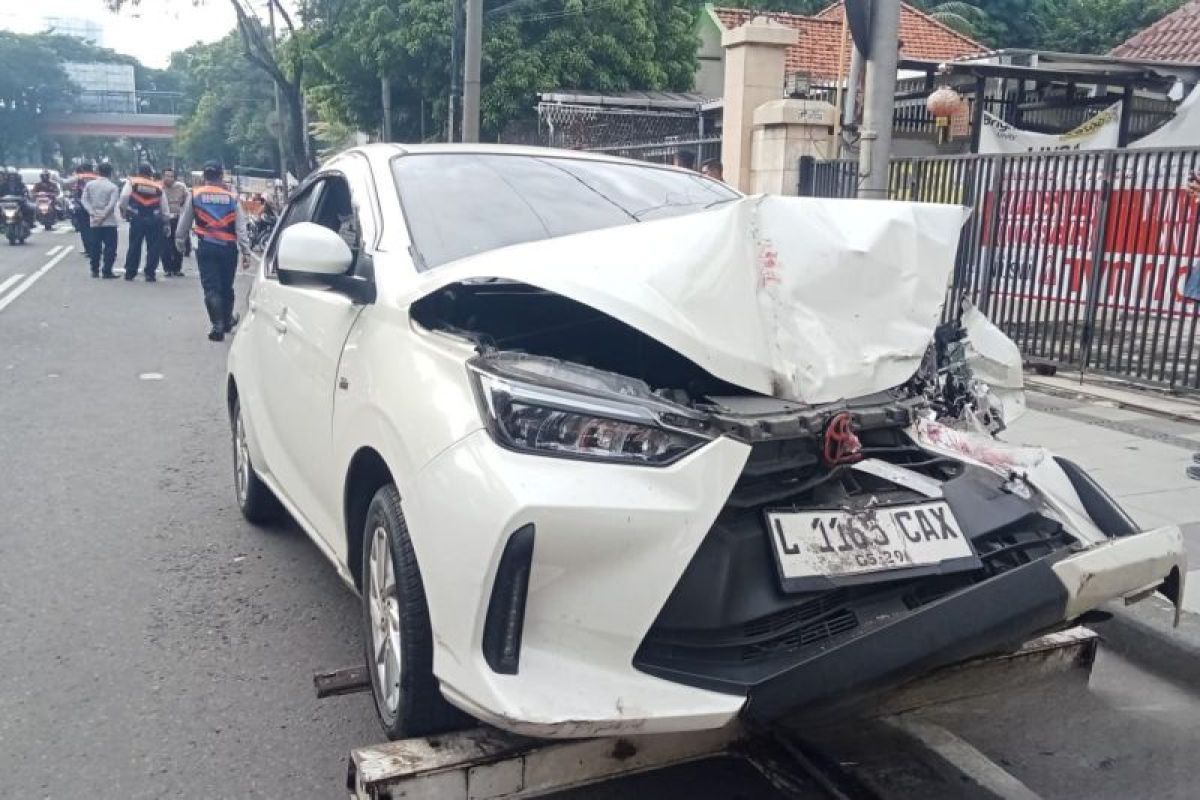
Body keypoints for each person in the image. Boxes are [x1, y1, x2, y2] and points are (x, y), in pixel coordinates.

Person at [175, 161, 250, 342]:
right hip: (228, 248)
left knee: (211, 288)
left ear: (204, 176)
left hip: (206, 246)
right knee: (226, 287)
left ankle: (217, 325)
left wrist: (179, 240)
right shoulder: (232, 197)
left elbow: (185, 221)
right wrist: (246, 251)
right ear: (221, 176)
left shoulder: (196, 195)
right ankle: (226, 321)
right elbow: (241, 227)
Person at [119, 163, 169, 282]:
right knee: (153, 247)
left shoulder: (132, 182)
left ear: (139, 172)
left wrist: (124, 211)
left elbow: (124, 197)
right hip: (154, 219)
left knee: (134, 245)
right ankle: (150, 273)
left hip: (138, 218)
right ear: (150, 173)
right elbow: (164, 205)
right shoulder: (158, 186)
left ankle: (130, 272)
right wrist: (166, 221)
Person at [80, 162, 121, 279]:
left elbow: (84, 200)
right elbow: (112, 204)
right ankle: (107, 271)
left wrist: (92, 213)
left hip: (94, 220)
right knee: (110, 247)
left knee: (95, 246)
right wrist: (103, 216)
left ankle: (94, 270)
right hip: (109, 221)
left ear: (98, 171)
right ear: (110, 173)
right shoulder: (113, 187)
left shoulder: (90, 185)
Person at [159, 168, 189, 277]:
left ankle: (177, 268)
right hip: (164, 219)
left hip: (178, 218)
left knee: (178, 243)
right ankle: (167, 269)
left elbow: (188, 199)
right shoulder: (159, 187)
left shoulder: (181, 187)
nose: (169, 178)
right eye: (167, 176)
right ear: (163, 177)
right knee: (165, 246)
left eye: (171, 176)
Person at [71, 163, 100, 261]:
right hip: (95, 207)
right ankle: (96, 249)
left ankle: (89, 249)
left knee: (85, 229)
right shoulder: (97, 178)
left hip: (82, 207)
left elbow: (66, 183)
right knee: (95, 229)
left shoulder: (80, 178)